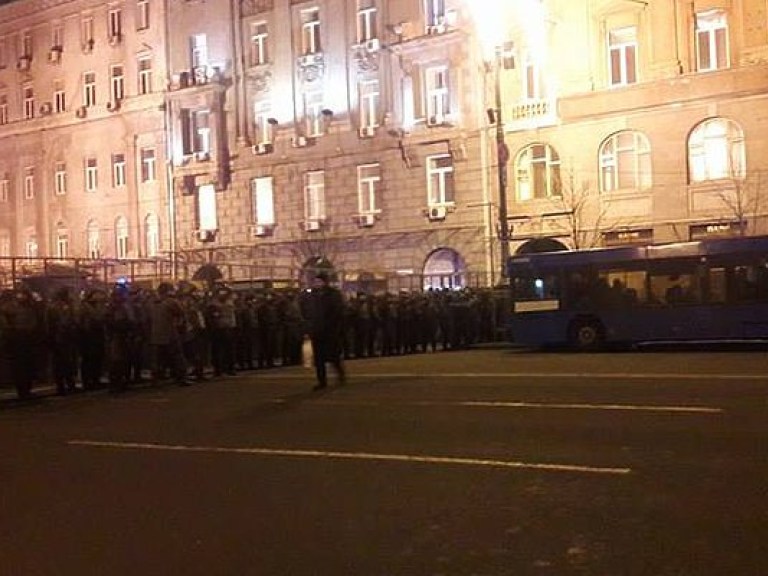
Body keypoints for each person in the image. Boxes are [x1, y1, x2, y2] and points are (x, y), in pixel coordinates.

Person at [301, 272, 346, 390]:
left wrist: (335, 327)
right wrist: (309, 325)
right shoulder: (312, 295)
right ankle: (322, 381)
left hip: (330, 331)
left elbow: (338, 311)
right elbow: (307, 310)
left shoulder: (333, 294)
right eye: (315, 281)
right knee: (319, 358)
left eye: (319, 281)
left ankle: (341, 375)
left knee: (333, 356)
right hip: (317, 331)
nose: (317, 284)